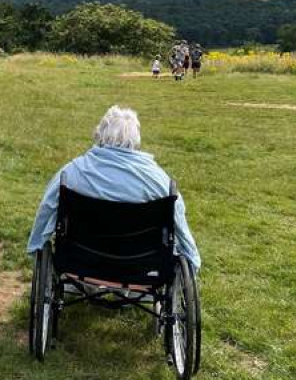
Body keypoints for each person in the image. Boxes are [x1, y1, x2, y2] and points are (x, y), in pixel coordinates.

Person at [26, 105, 200, 272]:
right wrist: (192, 259)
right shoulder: (160, 181)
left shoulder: (72, 173)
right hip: (141, 262)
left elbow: (47, 207)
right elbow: (179, 222)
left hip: (82, 258)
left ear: (100, 135)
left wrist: (36, 247)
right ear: (136, 140)